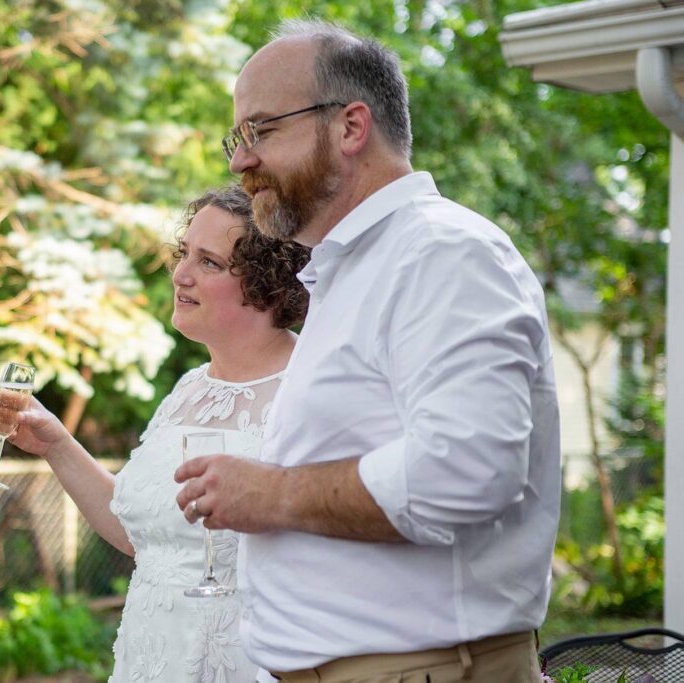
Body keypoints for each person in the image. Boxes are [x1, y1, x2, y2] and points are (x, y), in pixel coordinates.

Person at [174, 19, 561, 683]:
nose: (240, 162)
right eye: (237, 138)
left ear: (351, 127)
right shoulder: (355, 271)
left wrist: (272, 494)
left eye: (261, 131)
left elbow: (465, 472)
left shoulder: (443, 253)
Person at [0, 184, 310, 682]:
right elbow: (141, 537)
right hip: (149, 659)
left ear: (269, 283)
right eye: (184, 254)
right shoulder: (188, 389)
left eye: (209, 263)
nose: (180, 275)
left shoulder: (309, 389)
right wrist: (56, 445)